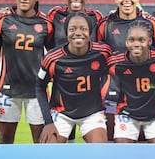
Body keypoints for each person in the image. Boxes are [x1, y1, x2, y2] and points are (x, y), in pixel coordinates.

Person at [0, 0, 54, 144]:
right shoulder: (1, 20)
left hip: (37, 93)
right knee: (4, 141)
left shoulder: (46, 24)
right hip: (8, 91)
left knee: (41, 142)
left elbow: (53, 58)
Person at [97, 0, 155, 142]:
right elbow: (98, 53)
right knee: (113, 131)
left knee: (141, 136)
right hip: (113, 86)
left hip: (143, 86)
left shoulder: (150, 24)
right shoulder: (105, 24)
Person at [35, 12, 111, 143]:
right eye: (72, 29)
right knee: (49, 151)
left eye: (83, 29)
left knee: (100, 151)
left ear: (90, 32)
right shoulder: (52, 58)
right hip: (61, 113)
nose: (78, 33)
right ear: (66, 32)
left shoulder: (103, 53)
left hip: (92, 113)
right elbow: (39, 86)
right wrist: (48, 122)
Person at [107, 20, 155, 143]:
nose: (136, 44)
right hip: (127, 115)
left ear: (150, 41)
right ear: (126, 42)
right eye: (132, 40)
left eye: (141, 40)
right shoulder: (115, 62)